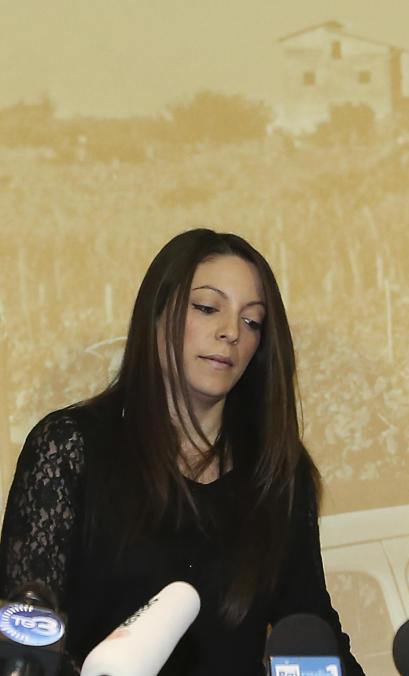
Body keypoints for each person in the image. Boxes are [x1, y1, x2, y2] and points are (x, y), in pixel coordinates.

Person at [0, 229, 364, 675]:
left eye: (252, 322)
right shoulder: (70, 448)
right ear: (157, 314)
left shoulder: (278, 474)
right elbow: (24, 639)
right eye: (208, 308)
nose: (231, 331)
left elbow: (309, 632)